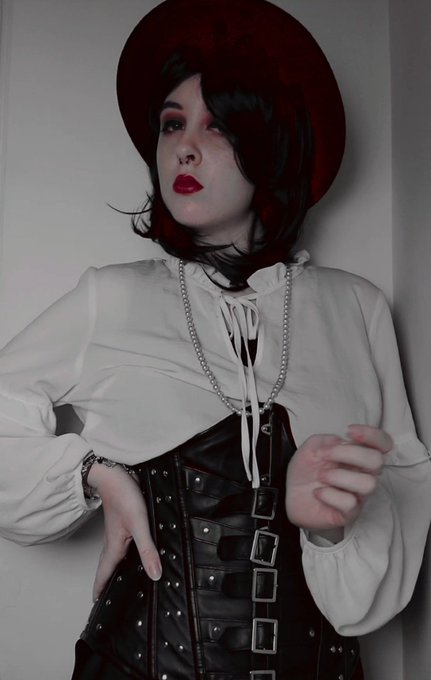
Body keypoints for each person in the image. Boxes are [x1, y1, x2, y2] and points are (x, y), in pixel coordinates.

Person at [0, 1, 430, 678]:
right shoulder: (112, 297)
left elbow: (400, 491)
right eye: (172, 124)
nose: (184, 147)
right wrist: (93, 475)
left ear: (270, 146)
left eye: (218, 125)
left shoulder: (355, 308)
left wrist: (326, 530)